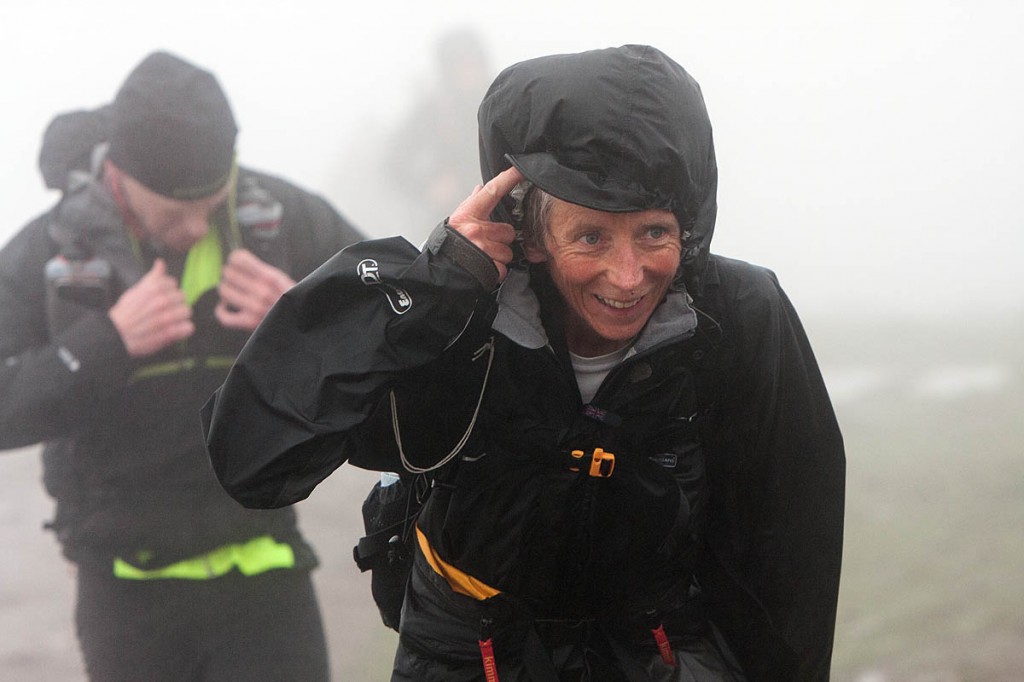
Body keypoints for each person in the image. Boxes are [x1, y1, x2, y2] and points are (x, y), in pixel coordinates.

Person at [204, 45, 845, 681]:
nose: (628, 277)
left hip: (658, 657)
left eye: (654, 232)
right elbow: (255, 462)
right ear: (530, 232)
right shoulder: (454, 313)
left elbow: (792, 555)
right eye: (591, 236)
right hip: (467, 657)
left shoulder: (736, 316)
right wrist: (431, 290)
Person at [0, 50, 364, 681]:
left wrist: (301, 321)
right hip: (124, 584)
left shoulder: (281, 218)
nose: (198, 227)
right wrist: (102, 346)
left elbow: (406, 335)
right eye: (174, 214)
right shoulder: (48, 250)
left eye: (212, 202)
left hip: (267, 563)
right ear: (118, 174)